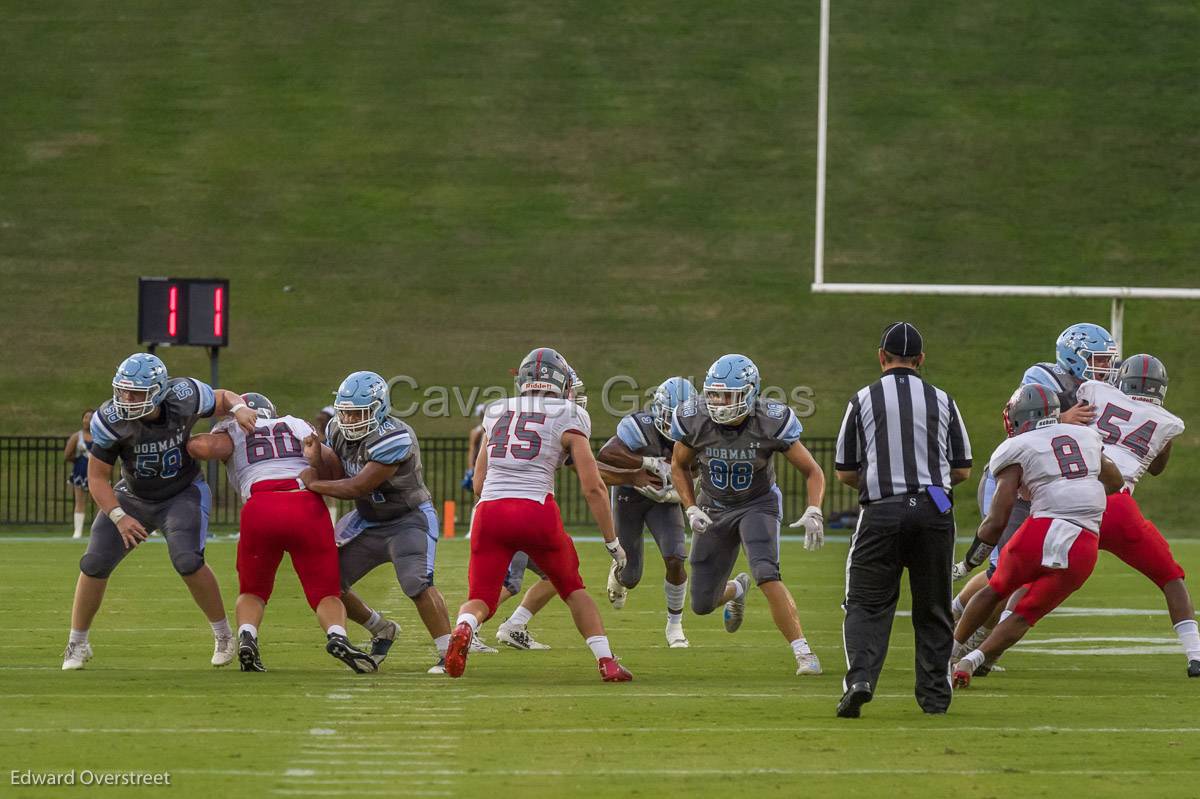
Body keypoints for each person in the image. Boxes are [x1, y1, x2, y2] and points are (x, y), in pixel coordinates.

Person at [444, 347, 632, 681]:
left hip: (489, 512)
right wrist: (612, 540)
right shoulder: (569, 414)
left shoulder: (496, 409)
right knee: (573, 588)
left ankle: (464, 627)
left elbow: (478, 482)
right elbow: (594, 488)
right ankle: (607, 661)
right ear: (559, 383)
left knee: (481, 598)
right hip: (536, 510)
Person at [61, 353, 258, 670]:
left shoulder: (183, 395)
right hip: (134, 496)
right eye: (123, 391)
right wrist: (118, 516)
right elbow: (98, 477)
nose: (126, 399)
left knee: (187, 560)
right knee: (94, 563)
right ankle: (77, 642)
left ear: (157, 391)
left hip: (182, 492)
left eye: (136, 393)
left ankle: (223, 635)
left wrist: (238, 407)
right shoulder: (112, 419)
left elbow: (221, 397)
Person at [953, 322, 1116, 663]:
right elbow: (1027, 423)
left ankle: (972, 642)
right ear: (1074, 357)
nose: (1105, 368)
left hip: (1048, 493)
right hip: (1014, 483)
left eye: (1108, 361)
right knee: (1003, 573)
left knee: (1014, 574)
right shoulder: (1043, 379)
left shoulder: (1096, 392)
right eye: (1098, 360)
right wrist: (1063, 418)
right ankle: (959, 630)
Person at [834, 322, 973, 718]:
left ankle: (860, 679)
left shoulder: (863, 399)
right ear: (921, 361)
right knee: (933, 606)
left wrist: (886, 487)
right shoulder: (942, 399)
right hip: (935, 507)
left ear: (881, 356)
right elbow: (962, 470)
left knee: (865, 603)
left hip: (881, 508)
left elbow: (845, 470)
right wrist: (927, 490)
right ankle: (934, 697)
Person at [186, 392, 376, 672]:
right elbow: (330, 464)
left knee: (253, 590)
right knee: (325, 592)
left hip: (260, 506)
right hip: (305, 504)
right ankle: (338, 635)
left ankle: (247, 636)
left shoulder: (236, 428)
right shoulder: (295, 424)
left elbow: (201, 447)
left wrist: (184, 434)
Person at [670, 354, 825, 677]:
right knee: (700, 603)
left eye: (729, 395)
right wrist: (691, 507)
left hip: (757, 504)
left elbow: (812, 470)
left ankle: (803, 652)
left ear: (751, 393)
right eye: (713, 394)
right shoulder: (694, 418)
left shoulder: (770, 420)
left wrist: (814, 508)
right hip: (712, 506)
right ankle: (737, 590)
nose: (719, 402)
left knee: (767, 573)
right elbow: (679, 465)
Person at [300, 371, 454, 673]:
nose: (350, 420)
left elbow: (357, 486)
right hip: (367, 520)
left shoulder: (395, 437)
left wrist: (312, 484)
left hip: (408, 519)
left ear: (379, 408)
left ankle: (448, 652)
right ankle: (381, 629)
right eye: (345, 412)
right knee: (327, 583)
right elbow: (336, 473)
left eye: (358, 413)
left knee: (416, 583)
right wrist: (317, 459)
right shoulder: (336, 429)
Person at [1075, 355, 1198, 677]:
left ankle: (977, 653)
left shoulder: (1096, 391)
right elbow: (1156, 468)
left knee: (1028, 576)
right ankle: (1195, 654)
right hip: (1117, 507)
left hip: (1071, 499)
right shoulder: (1168, 421)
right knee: (1170, 578)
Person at [598, 376, 696, 648]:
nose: (676, 424)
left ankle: (674, 625)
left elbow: (699, 472)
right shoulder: (639, 426)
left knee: (676, 558)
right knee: (630, 577)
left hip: (665, 501)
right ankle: (618, 573)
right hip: (631, 495)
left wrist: (678, 490)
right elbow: (606, 454)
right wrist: (646, 464)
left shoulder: (699, 432)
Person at [63, 409, 94, 539]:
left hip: (96, 472)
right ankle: (78, 531)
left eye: (90, 418)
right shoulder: (77, 436)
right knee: (80, 501)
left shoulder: (100, 435)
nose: (87, 420)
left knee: (100, 502)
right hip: (80, 471)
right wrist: (78, 459)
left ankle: (98, 531)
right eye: (85, 418)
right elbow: (67, 455)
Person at [313, 405, 339, 525]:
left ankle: (331, 524)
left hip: (328, 470)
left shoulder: (334, 437)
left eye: (324, 419)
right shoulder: (316, 434)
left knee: (330, 497)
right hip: (316, 470)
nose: (321, 421)